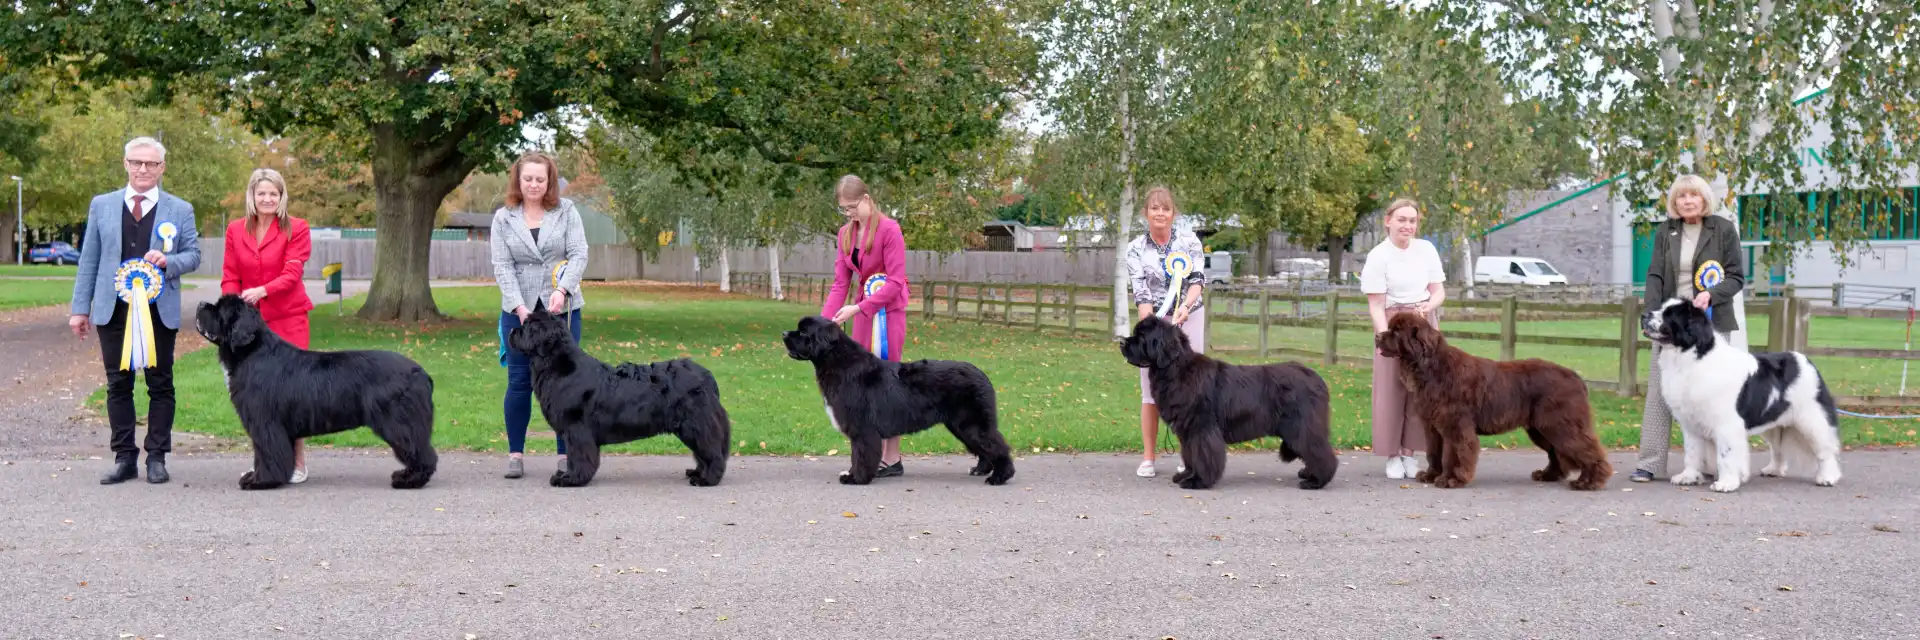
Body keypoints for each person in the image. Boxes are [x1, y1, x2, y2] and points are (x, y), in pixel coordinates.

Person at [68, 136, 201, 485]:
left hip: (160, 309)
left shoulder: (180, 209)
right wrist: (79, 308)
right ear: (126, 164)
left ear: (162, 168)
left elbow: (193, 255)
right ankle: (124, 457)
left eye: (152, 163)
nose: (144, 169)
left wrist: (168, 261)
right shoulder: (102, 205)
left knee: (161, 385)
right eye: (137, 162)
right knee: (117, 384)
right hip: (113, 309)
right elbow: (89, 260)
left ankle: (157, 457)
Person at [1632, 174, 1746, 482]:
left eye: (1693, 196)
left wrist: (1712, 294)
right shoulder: (1665, 231)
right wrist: (1651, 314)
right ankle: (1650, 463)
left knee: (1710, 396)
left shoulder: (1723, 230)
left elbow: (1736, 276)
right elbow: (1655, 274)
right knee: (1660, 392)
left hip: (1710, 324)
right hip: (1671, 323)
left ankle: (1710, 465)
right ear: (1674, 202)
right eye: (1681, 197)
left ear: (1704, 199)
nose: (1687, 201)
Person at [491, 151, 589, 479]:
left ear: (549, 182)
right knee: (519, 382)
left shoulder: (566, 211)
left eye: (540, 179)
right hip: (517, 312)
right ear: (518, 180)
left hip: (562, 310)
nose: (534, 184)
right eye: (528, 178)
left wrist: (562, 290)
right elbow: (502, 266)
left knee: (566, 383)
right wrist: (519, 307)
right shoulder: (503, 217)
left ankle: (566, 455)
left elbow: (578, 254)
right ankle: (516, 455)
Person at [222, 168, 316, 483]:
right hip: (249, 327)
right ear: (252, 196)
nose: (267, 199)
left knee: (292, 393)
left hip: (287, 318)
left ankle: (297, 462)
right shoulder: (235, 230)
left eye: (273, 194)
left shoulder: (297, 228)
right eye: (261, 193)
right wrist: (231, 310)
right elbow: (230, 274)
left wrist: (263, 290)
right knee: (256, 396)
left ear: (281, 197)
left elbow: (292, 273)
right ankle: (267, 464)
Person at [822, 174, 911, 478]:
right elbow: (840, 283)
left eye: (851, 207)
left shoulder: (890, 231)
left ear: (866, 199)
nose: (848, 214)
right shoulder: (845, 235)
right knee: (862, 389)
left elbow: (897, 281)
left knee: (889, 386)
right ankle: (868, 455)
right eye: (843, 210)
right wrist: (825, 322)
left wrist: (860, 307)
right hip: (860, 317)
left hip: (888, 315)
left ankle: (893, 457)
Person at [1360, 198, 1446, 480]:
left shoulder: (1426, 250)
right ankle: (1392, 454)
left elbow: (1438, 292)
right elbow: (1376, 304)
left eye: (1412, 220)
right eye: (1401, 220)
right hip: (1393, 324)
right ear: (1388, 221)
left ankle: (1411, 452)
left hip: (1422, 322)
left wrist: (1427, 308)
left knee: (1421, 389)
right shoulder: (1379, 256)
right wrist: (1385, 337)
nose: (1407, 226)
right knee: (1391, 390)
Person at [1125, 186, 1208, 478]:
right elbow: (1141, 294)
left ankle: (1190, 456)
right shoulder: (1135, 248)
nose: (1160, 213)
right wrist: (1152, 332)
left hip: (1190, 317)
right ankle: (1149, 458)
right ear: (1146, 213)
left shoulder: (1189, 241)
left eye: (1166, 208)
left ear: (1173, 213)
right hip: (1155, 322)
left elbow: (1197, 280)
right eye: (1154, 208)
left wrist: (1185, 306)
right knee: (1151, 392)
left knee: (1192, 389)